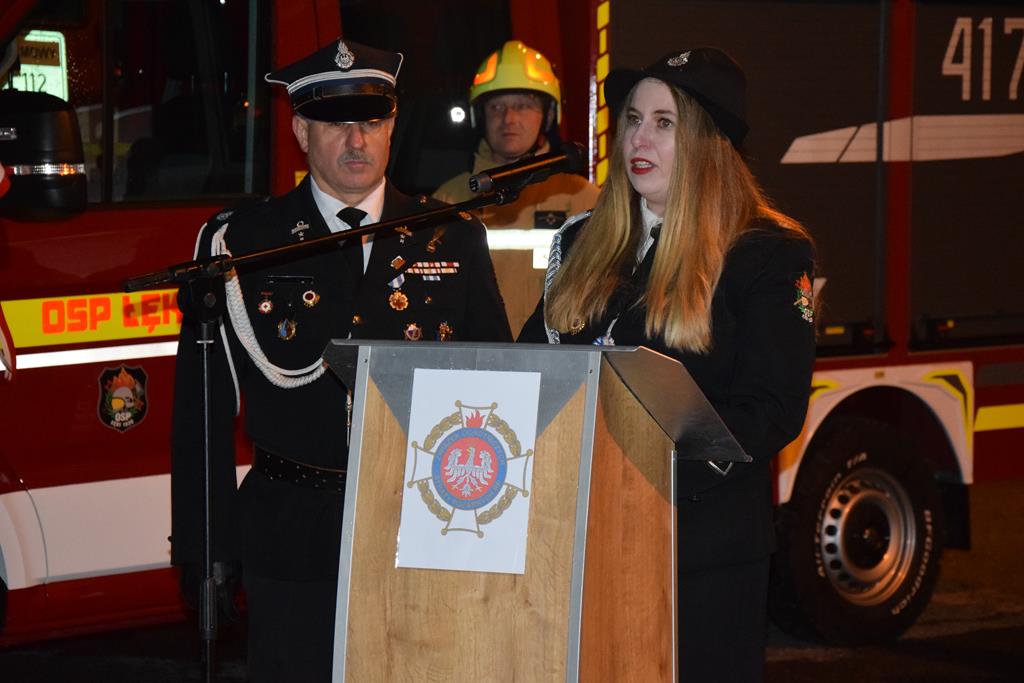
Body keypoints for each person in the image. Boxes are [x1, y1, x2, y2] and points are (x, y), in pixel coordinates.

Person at [170, 39, 511, 682]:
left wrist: (495, 533)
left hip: (422, 529)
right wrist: (204, 546)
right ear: (301, 130)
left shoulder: (451, 236)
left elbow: (498, 396)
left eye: (372, 121)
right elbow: (202, 411)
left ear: (392, 126)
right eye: (335, 122)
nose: (357, 140)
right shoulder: (244, 242)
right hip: (290, 532)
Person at [518, 47, 816, 681]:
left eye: (663, 122)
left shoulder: (764, 253)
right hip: (583, 535)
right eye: (632, 119)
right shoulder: (585, 240)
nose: (638, 139)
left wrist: (647, 475)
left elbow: (771, 410)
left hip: (700, 548)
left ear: (707, 142)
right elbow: (530, 367)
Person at [433, 40, 599, 336]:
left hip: (551, 359)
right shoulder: (448, 200)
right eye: (497, 107)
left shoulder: (582, 199)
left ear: (548, 115)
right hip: (472, 358)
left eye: (523, 105)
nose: (509, 119)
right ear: (479, 116)